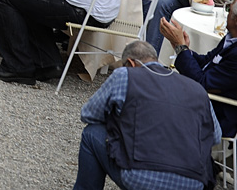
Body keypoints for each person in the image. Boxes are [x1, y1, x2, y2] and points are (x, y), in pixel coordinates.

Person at [73, 40, 219, 190]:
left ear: (130, 63)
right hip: (192, 183)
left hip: (142, 177)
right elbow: (216, 137)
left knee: (92, 133)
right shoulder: (198, 89)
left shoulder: (126, 75)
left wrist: (120, 121)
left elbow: (88, 114)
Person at [162, 3, 237, 137]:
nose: (225, 15)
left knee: (157, 96)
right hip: (204, 97)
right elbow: (207, 61)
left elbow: (202, 83)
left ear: (236, 20)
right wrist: (183, 48)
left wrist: (181, 48)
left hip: (216, 112)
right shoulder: (231, 38)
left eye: (228, 11)